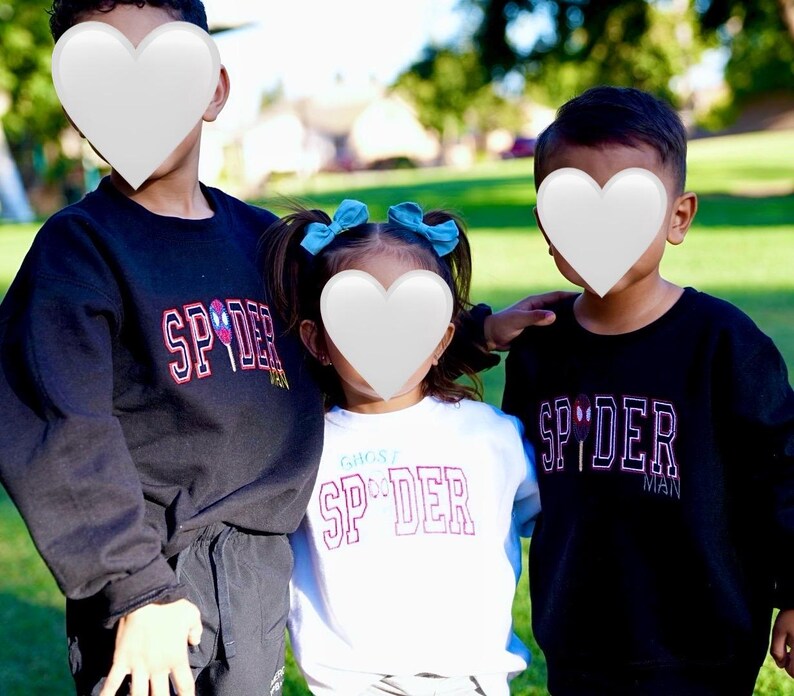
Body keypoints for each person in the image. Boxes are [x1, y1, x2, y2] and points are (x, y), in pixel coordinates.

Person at [0, 2, 324, 695]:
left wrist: (473, 332)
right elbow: (61, 430)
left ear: (214, 88)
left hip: (258, 576)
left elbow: (353, 327)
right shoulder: (79, 252)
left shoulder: (267, 243)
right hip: (149, 583)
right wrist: (136, 587)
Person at [482, 85, 794, 695]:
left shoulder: (724, 343)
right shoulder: (540, 347)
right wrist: (480, 333)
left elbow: (784, 470)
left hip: (703, 642)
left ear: (678, 217)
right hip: (579, 640)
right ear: (546, 222)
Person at [262, 199, 542, 696]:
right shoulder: (302, 449)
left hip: (470, 684)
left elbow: (565, 520)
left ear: (441, 339)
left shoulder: (490, 438)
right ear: (317, 340)